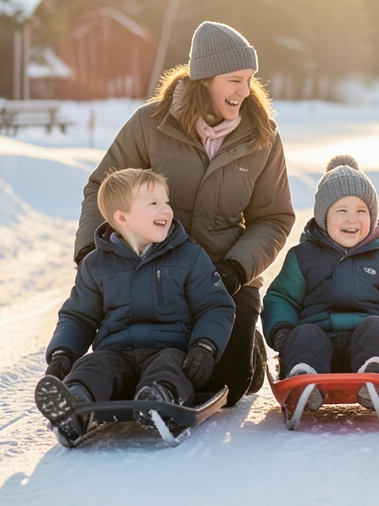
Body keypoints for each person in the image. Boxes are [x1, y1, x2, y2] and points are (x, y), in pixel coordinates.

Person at [75, 22, 295, 407]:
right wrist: (89, 254)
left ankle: (248, 347)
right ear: (205, 79)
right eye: (233, 80)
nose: (244, 91)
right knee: (130, 361)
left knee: (225, 387)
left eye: (248, 79)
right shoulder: (151, 123)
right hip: (151, 270)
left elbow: (274, 218)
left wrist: (237, 269)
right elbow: (103, 186)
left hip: (223, 279)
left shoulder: (262, 136)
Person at [36, 168, 236, 443]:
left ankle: (158, 398)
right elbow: (79, 316)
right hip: (116, 352)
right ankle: (74, 403)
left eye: (166, 202)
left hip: (171, 348)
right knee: (94, 366)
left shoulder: (189, 256)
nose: (165, 209)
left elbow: (215, 306)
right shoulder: (96, 265)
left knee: (170, 368)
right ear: (122, 218)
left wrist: (204, 346)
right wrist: (62, 352)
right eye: (153, 204)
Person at [262, 156, 379, 411]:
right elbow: (282, 298)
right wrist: (283, 331)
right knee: (304, 334)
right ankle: (305, 381)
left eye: (361, 211)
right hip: (318, 341)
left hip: (365, 343)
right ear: (323, 217)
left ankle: (375, 378)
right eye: (342, 211)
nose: (352, 219)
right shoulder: (302, 256)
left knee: (376, 327)